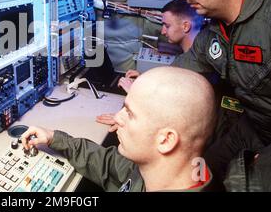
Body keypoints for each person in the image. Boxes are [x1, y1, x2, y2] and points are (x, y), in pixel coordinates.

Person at [171, 0, 270, 182]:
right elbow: (178, 74)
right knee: (199, 176)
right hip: (254, 129)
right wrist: (137, 103)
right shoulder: (214, 33)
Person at [22, 67, 221, 192]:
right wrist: (54, 138)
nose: (117, 118)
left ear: (166, 140)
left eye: (129, 113)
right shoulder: (159, 173)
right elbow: (110, 164)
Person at [96, 0, 203, 130]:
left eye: (167, 26)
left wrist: (135, 92)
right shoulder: (190, 56)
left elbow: (172, 114)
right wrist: (144, 79)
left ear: (186, 26)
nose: (163, 31)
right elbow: (171, 89)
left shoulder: (192, 66)